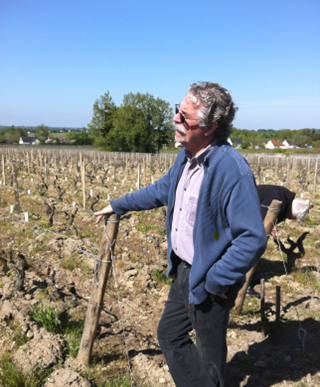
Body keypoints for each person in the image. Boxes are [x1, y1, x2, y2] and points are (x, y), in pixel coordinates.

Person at [95, 82, 267, 387]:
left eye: (184, 117)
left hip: (211, 279)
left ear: (210, 126)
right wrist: (118, 205)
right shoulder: (186, 157)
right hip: (185, 271)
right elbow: (162, 190)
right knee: (170, 334)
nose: (175, 119)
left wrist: (216, 279)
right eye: (177, 111)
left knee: (209, 355)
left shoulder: (231, 170)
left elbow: (251, 237)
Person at [246, 184, 310, 298]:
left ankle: (250, 275)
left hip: (251, 210)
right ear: (292, 211)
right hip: (243, 209)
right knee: (251, 247)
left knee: (257, 246)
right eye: (292, 217)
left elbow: (271, 215)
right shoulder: (280, 200)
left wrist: (272, 225)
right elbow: (259, 220)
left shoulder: (286, 198)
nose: (290, 219)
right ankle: (243, 283)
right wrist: (267, 227)